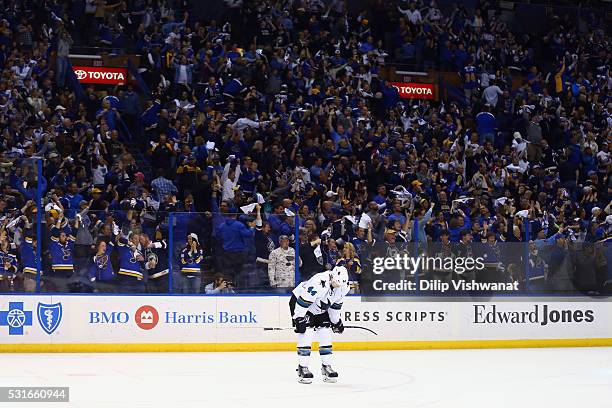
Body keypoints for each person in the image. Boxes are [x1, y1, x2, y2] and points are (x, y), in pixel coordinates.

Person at [289, 265, 350, 384]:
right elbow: (303, 301)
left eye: (340, 285)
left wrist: (336, 322)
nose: (337, 287)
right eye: (336, 283)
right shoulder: (319, 282)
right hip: (300, 304)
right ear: (332, 276)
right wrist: (299, 318)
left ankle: (326, 367)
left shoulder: (343, 287)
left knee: (325, 332)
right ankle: (303, 367)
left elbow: (335, 307)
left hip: (319, 307)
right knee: (306, 332)